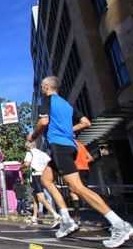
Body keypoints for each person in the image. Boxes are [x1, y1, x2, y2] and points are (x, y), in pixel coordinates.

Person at [28, 76, 132, 248]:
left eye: (42, 86)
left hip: (59, 146)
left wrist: (33, 135)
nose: (41, 89)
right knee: (46, 179)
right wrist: (68, 130)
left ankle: (120, 225)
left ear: (46, 87)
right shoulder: (66, 105)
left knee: (77, 188)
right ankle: (66, 220)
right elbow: (86, 122)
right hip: (69, 145)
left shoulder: (47, 100)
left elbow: (43, 121)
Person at [23, 141, 60, 227]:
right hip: (44, 175)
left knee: (41, 198)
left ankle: (56, 215)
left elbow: (27, 163)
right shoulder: (42, 153)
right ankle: (34, 218)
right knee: (35, 197)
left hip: (35, 176)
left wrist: (21, 166)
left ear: (28, 146)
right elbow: (49, 162)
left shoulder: (29, 153)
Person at [71, 139, 94, 224]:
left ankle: (76, 216)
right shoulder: (81, 145)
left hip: (75, 170)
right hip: (85, 169)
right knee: (83, 190)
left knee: (73, 192)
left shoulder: (70, 144)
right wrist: (84, 161)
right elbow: (90, 158)